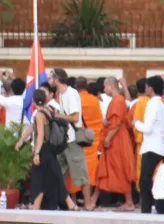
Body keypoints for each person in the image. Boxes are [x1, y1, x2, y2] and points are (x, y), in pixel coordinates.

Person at [24, 89, 78, 210]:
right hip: (50, 149)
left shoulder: (39, 115)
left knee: (40, 178)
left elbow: (41, 135)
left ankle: (37, 205)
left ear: (33, 101)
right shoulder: (49, 111)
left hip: (43, 150)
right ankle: (69, 204)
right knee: (52, 177)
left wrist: (36, 153)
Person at [47, 69, 91, 207]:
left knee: (80, 174)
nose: (48, 81)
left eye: (50, 78)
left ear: (56, 79)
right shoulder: (62, 94)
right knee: (58, 173)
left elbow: (75, 117)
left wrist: (57, 116)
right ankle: (59, 203)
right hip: (65, 141)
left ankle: (88, 205)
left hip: (72, 141)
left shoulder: (71, 94)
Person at [90, 77, 136, 210]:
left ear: (110, 86)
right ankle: (94, 200)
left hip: (116, 140)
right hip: (115, 138)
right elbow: (116, 120)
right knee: (106, 168)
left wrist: (108, 138)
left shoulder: (118, 100)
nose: (104, 90)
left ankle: (128, 202)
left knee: (119, 168)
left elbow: (117, 123)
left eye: (105, 87)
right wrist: (106, 123)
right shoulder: (117, 100)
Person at [133, 75, 164, 213]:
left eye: (147, 86)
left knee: (144, 180)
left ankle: (146, 209)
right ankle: (150, 206)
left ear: (151, 88)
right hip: (160, 145)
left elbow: (147, 128)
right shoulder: (162, 103)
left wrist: (135, 123)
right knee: (151, 179)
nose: (145, 89)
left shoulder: (152, 103)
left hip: (151, 146)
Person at [75, 77, 103, 208]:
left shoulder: (75, 99)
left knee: (76, 169)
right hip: (93, 139)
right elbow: (99, 118)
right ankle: (90, 200)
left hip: (78, 139)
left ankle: (74, 199)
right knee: (91, 169)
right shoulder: (94, 100)